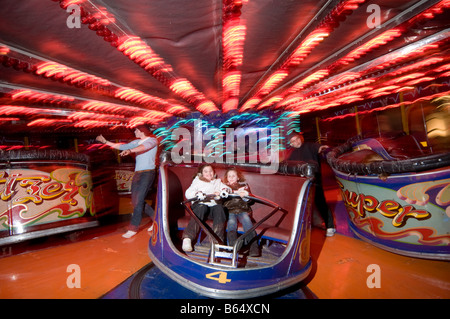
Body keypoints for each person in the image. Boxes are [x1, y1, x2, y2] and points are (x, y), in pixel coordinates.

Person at [96, 125, 158, 238]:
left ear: (142, 131)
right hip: (138, 173)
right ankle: (156, 220)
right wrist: (105, 141)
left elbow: (144, 147)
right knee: (135, 201)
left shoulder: (152, 140)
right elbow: (122, 146)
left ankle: (133, 228)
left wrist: (130, 150)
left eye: (136, 130)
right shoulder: (135, 142)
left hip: (148, 173)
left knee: (139, 200)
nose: (135, 131)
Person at [287, 131, 336, 237]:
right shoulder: (293, 154)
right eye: (293, 141)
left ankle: (330, 226)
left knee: (320, 202)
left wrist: (324, 148)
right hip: (301, 183)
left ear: (300, 138)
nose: (296, 141)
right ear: (291, 144)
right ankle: (306, 227)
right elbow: (288, 166)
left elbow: (319, 148)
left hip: (314, 181)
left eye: (297, 139)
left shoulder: (309, 146)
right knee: (303, 205)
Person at [182, 164, 229, 252]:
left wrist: (223, 190)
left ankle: (217, 241)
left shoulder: (217, 182)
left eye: (210, 171)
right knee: (202, 207)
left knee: (219, 207)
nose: (208, 173)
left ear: (214, 172)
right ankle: (187, 238)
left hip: (213, 209)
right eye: (206, 171)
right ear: (202, 173)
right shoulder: (197, 181)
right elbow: (188, 193)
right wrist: (197, 193)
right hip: (200, 207)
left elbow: (227, 188)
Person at [222, 167, 260, 257]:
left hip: (243, 210)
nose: (231, 178)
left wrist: (244, 196)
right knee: (231, 225)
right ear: (226, 178)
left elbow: (250, 201)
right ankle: (233, 248)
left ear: (238, 177)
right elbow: (221, 201)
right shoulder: (224, 187)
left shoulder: (244, 186)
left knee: (248, 224)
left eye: (233, 176)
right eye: (229, 176)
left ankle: (253, 248)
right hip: (230, 211)